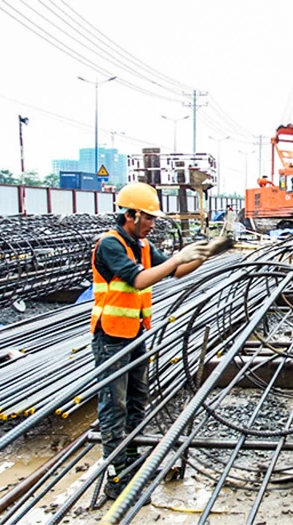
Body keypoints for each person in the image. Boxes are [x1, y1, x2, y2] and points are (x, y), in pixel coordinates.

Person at [90, 182, 225, 500]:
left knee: (137, 400)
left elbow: (176, 271)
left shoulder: (143, 246)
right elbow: (139, 280)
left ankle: (132, 458)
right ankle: (116, 473)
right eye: (149, 218)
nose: (152, 224)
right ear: (131, 215)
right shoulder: (110, 245)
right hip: (110, 336)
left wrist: (205, 253)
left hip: (134, 332)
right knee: (114, 405)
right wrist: (179, 256)